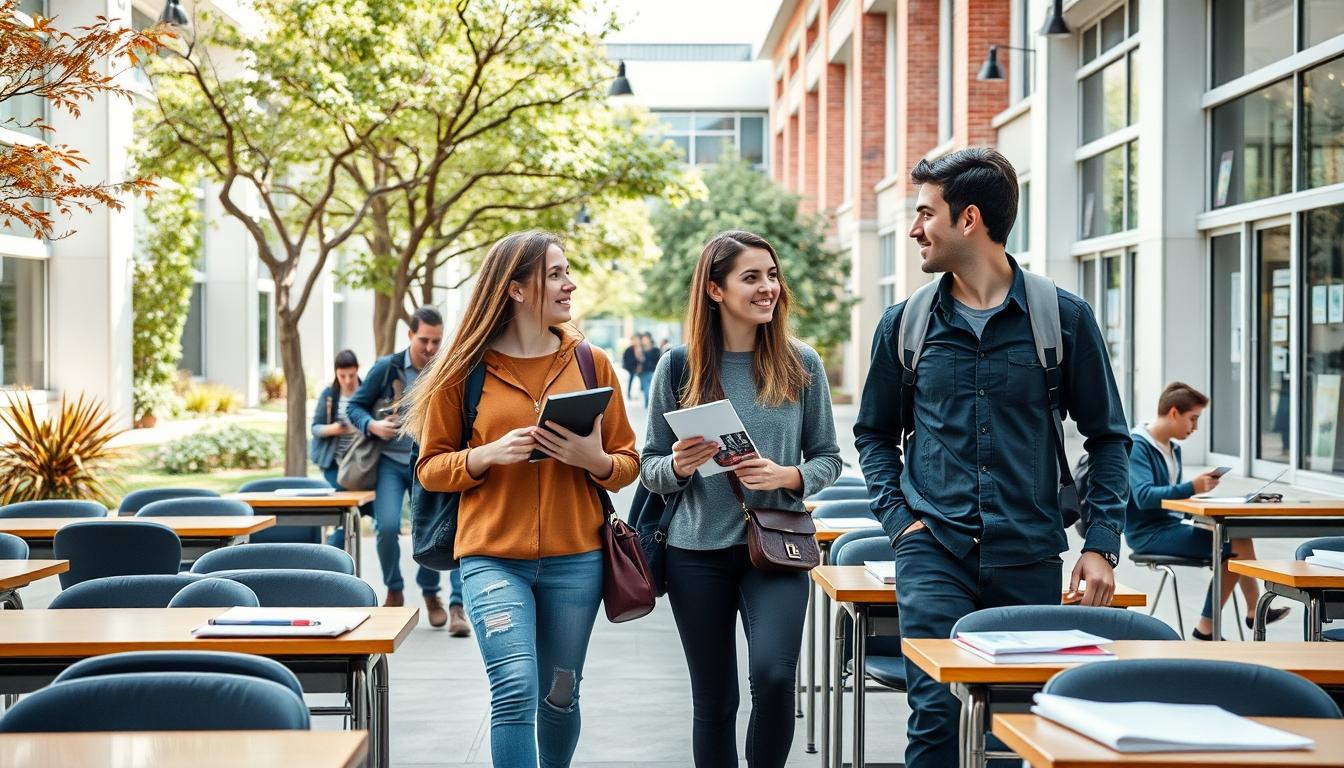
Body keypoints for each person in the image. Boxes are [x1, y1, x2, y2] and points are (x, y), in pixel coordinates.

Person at [853, 148, 1132, 768]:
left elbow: (1109, 438)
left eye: (926, 213)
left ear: (969, 219)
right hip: (933, 550)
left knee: (1017, 724)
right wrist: (902, 525)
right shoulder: (905, 325)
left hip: (1028, 552)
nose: (915, 228)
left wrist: (1100, 542)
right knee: (936, 716)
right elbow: (873, 435)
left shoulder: (1063, 319)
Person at [408, 230, 639, 768]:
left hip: (576, 559)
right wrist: (486, 455)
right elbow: (430, 468)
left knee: (560, 694)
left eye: (566, 272)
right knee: (513, 687)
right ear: (514, 289)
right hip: (491, 558)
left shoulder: (591, 364)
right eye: (556, 274)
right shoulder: (461, 372)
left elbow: (626, 463)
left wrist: (593, 460)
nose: (569, 283)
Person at [641, 230, 841, 768]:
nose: (767, 288)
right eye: (751, 278)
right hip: (695, 552)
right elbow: (649, 466)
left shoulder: (802, 363)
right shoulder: (678, 366)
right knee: (715, 700)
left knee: (775, 679)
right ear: (714, 289)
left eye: (772, 276)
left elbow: (828, 457)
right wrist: (678, 467)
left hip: (778, 547)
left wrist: (788, 475)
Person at [1125, 382, 1290, 639]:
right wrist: (1191, 486)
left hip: (1169, 526)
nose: (1195, 427)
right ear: (1173, 413)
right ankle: (1213, 624)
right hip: (1147, 534)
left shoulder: (1172, 448)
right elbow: (1144, 497)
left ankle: (1250, 612)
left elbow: (1171, 499)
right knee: (1232, 547)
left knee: (1238, 537)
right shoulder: (1138, 446)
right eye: (1193, 419)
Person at [345, 305, 466, 635]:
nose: (430, 348)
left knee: (445, 530)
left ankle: (443, 600)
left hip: (431, 462)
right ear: (410, 335)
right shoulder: (388, 368)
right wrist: (371, 424)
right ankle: (394, 589)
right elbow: (354, 405)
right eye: (424, 340)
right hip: (391, 464)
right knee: (386, 527)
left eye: (436, 341)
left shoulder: (447, 367)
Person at [310, 349, 361, 489]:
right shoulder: (329, 395)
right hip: (333, 462)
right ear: (335, 372)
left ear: (357, 369)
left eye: (351, 375)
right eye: (342, 376)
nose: (347, 380)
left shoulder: (367, 392)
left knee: (365, 505)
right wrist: (334, 429)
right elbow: (315, 428)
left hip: (362, 462)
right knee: (342, 502)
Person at [638, 332, 660, 405]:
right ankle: (647, 403)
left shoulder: (655, 349)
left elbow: (657, 359)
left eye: (645, 339)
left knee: (651, 388)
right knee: (646, 388)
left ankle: (649, 403)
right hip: (644, 371)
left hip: (653, 371)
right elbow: (639, 360)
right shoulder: (641, 349)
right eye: (643, 339)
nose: (644, 340)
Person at [622, 333, 643, 402]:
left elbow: (641, 359)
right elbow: (626, 359)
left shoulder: (640, 348)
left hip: (639, 368)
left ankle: (639, 394)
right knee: (631, 381)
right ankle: (629, 394)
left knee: (641, 381)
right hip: (631, 368)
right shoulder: (629, 349)